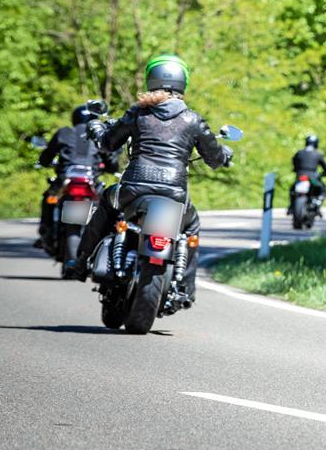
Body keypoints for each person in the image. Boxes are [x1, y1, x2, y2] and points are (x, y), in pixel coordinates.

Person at [74, 54, 232, 301]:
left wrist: (96, 127)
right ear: (183, 82)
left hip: (134, 188)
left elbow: (108, 142)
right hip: (173, 192)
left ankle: (81, 261)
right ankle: (185, 290)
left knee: (106, 201)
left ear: (151, 79)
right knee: (191, 226)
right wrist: (225, 154)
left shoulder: (138, 114)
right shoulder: (193, 119)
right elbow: (213, 159)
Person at [35, 104, 113, 250]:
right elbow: (111, 160)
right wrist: (109, 167)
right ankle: (105, 239)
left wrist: (45, 162)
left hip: (66, 179)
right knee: (106, 206)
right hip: (91, 181)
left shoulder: (65, 132)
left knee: (48, 198)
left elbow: (47, 156)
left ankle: (45, 232)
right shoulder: (99, 135)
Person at [289, 134, 326, 214]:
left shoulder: (299, 153)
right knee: (322, 189)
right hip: (312, 178)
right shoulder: (318, 154)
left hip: (300, 176)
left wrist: (296, 170)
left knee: (292, 190)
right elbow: (325, 167)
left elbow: (294, 163)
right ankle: (317, 204)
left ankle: (291, 206)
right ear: (316, 143)